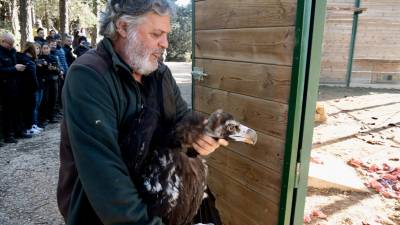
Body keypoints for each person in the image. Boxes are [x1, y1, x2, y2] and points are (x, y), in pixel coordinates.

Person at [57, 0, 228, 224]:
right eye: (156, 34)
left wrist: (200, 132)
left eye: (166, 34)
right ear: (123, 27)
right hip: (107, 215)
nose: (165, 43)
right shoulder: (89, 76)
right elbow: (105, 177)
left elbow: (181, 117)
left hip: (158, 201)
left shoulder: (159, 73)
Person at [0, 32, 31, 143]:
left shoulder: (12, 52)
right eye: (9, 44)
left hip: (16, 86)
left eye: (13, 44)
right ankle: (8, 135)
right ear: (2, 41)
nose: (11, 46)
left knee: (18, 110)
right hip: (5, 88)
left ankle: (19, 131)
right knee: (8, 112)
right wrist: (14, 68)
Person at [16, 42, 41, 135]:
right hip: (28, 89)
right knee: (28, 109)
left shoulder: (28, 59)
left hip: (27, 89)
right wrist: (36, 87)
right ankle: (27, 128)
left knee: (30, 108)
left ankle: (30, 126)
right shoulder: (26, 60)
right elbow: (31, 76)